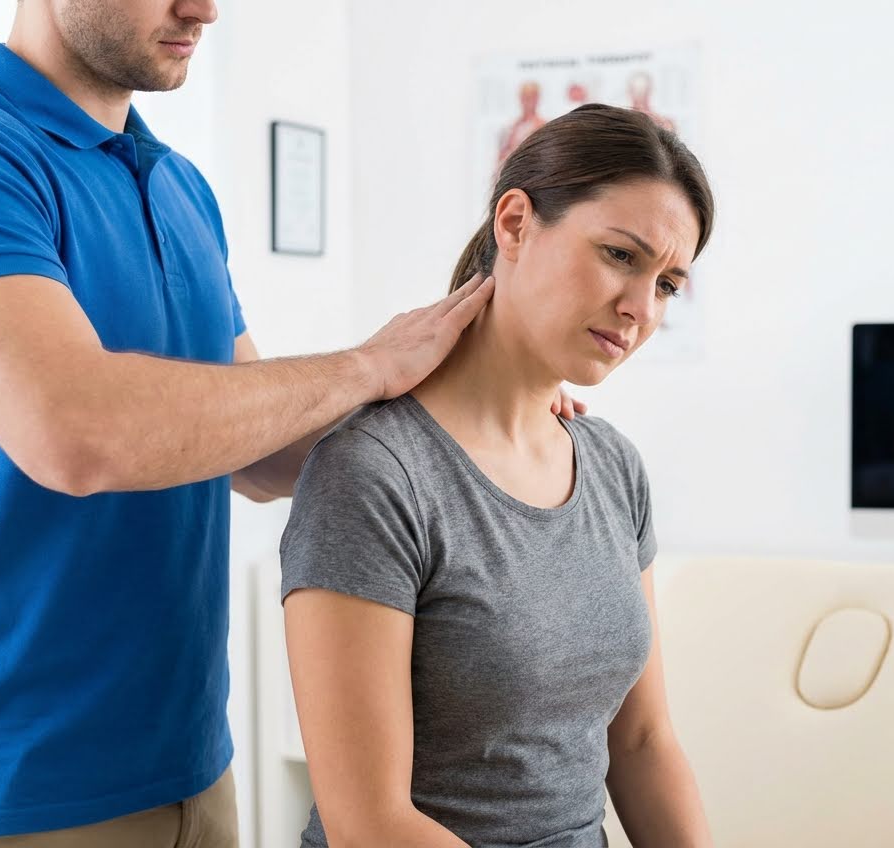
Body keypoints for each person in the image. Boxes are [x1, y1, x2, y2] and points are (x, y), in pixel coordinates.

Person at [0, 1, 584, 845]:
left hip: (194, 769)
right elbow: (76, 431)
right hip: (19, 786)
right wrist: (366, 365)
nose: (203, 8)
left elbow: (261, 456)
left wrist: (465, 403)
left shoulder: (180, 189)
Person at [281, 103, 717, 847]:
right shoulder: (375, 475)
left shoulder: (612, 466)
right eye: (620, 255)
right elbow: (371, 824)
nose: (641, 309)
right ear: (514, 224)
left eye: (669, 283)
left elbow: (642, 744)